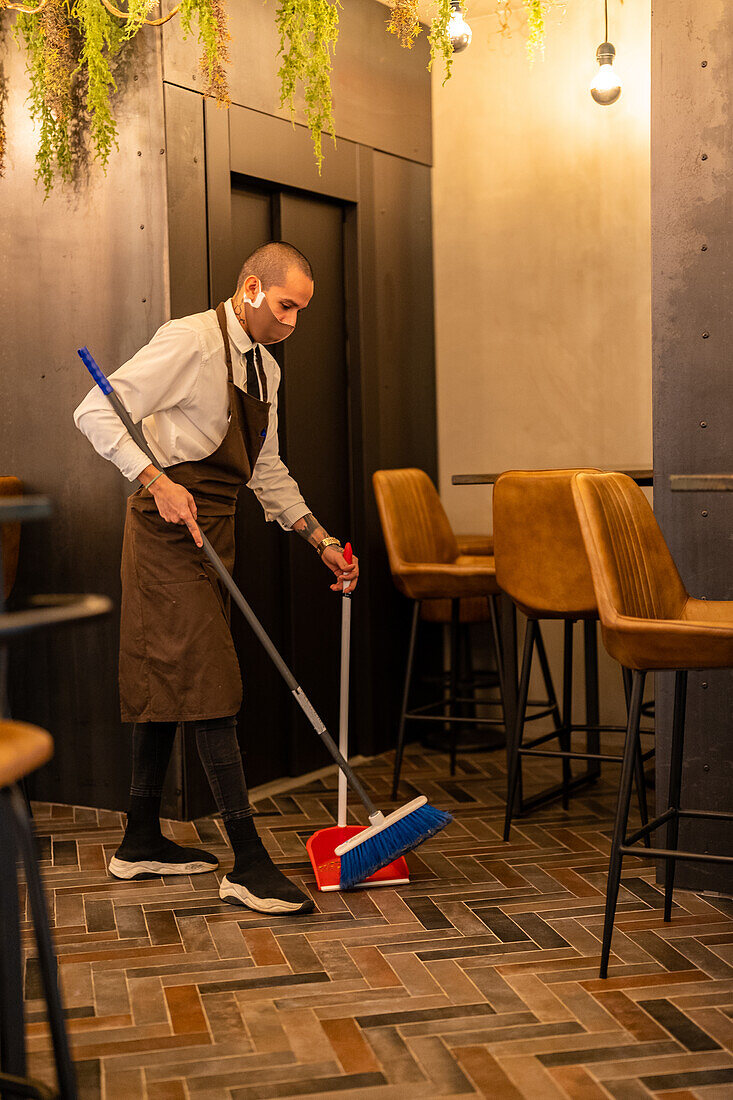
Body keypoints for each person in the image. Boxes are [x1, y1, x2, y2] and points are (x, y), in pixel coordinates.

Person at [74, 241, 359, 914]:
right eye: (286, 306)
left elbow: (265, 471)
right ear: (253, 288)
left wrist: (316, 537)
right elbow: (93, 411)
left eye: (300, 311)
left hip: (217, 528)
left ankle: (139, 840)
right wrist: (155, 479)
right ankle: (248, 862)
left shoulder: (266, 371)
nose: (292, 322)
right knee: (208, 681)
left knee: (173, 675)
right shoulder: (189, 342)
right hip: (165, 527)